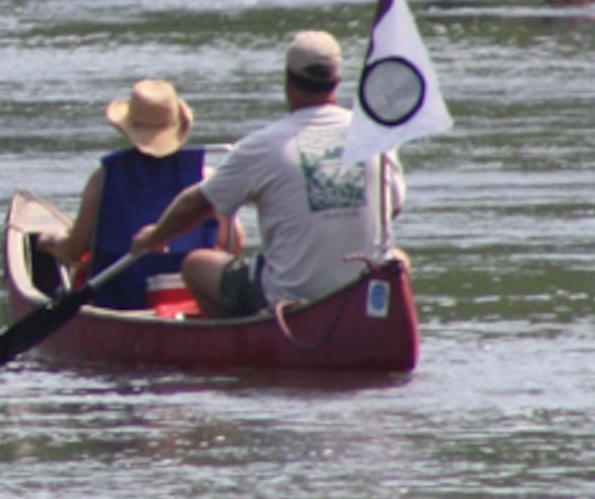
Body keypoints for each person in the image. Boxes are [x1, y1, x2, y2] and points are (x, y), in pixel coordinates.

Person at [129, 31, 404, 318]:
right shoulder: (377, 136)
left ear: (288, 82)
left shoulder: (263, 146)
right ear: (337, 81)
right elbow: (392, 208)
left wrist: (156, 236)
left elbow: (196, 204)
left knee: (196, 265)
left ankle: (230, 346)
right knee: (398, 259)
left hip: (290, 298)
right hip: (365, 294)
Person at [52, 79, 236, 311]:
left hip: (120, 301)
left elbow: (75, 249)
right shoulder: (206, 179)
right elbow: (233, 243)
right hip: (191, 300)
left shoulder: (104, 178)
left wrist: (53, 241)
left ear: (129, 129)